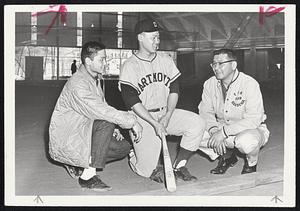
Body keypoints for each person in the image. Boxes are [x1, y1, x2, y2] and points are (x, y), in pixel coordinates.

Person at [119, 19, 206, 183]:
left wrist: (167, 115)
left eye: (158, 37)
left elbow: (175, 89)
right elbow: (131, 100)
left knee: (197, 123)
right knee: (146, 170)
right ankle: (133, 154)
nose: (157, 41)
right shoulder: (130, 65)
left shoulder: (165, 59)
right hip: (142, 118)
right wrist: (154, 122)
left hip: (166, 112)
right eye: (153, 37)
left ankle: (179, 165)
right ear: (140, 38)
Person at [49, 41, 142, 191]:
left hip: (84, 129)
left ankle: (79, 163)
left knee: (123, 148)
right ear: (88, 61)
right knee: (106, 123)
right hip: (69, 136)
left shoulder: (94, 79)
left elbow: (103, 106)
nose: (105, 63)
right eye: (101, 59)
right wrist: (131, 121)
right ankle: (87, 177)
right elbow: (100, 111)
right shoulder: (77, 84)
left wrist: (116, 129)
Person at [198, 48, 270, 174]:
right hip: (221, 127)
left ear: (233, 65)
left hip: (250, 129)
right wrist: (214, 131)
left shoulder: (249, 83)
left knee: (247, 142)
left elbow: (253, 119)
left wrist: (224, 133)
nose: (216, 67)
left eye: (221, 63)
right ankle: (227, 157)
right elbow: (205, 112)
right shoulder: (209, 84)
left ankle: (251, 163)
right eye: (214, 64)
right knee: (193, 132)